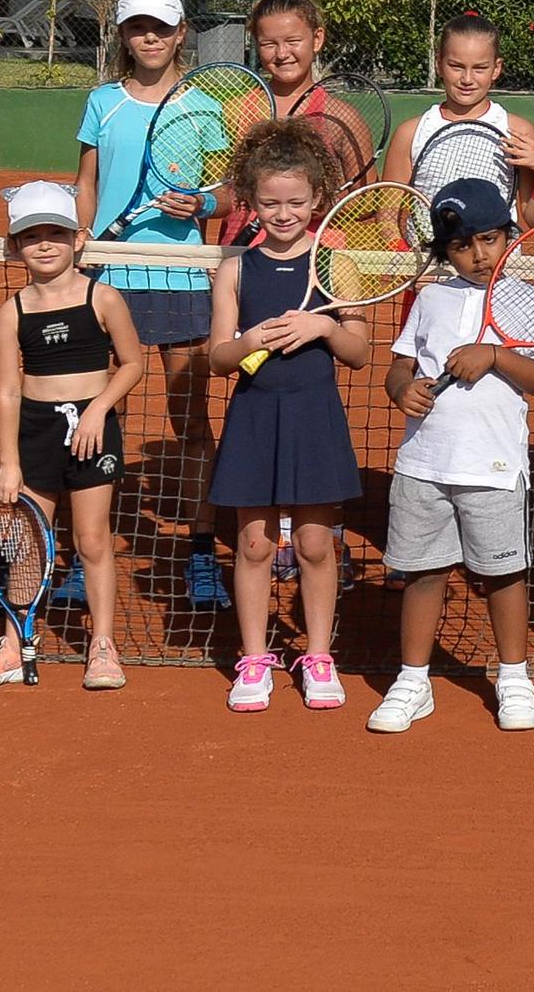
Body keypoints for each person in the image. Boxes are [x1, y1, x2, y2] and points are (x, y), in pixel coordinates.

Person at [368, 179, 534, 733]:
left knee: (503, 575)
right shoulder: (430, 297)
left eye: (489, 239)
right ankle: (412, 681)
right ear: (444, 252)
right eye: (462, 246)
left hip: (494, 466)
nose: (479, 255)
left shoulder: (526, 299)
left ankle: (514, 677)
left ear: (508, 235)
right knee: (423, 572)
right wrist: (399, 389)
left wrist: (496, 355)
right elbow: (402, 364)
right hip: (424, 465)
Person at [0, 182, 144, 690]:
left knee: (91, 539)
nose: (44, 245)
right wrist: (10, 462)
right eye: (30, 236)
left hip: (92, 430)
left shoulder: (102, 297)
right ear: (14, 246)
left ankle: (102, 646)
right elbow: (9, 393)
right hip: (36, 434)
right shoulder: (11, 311)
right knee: (28, 543)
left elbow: (131, 364)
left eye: (55, 234)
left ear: (78, 239)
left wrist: (98, 410)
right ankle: (16, 644)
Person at [205, 120, 366, 712]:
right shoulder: (235, 270)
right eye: (270, 202)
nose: (283, 213)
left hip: (313, 415)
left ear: (318, 198)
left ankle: (318, 655)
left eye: (296, 202)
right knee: (252, 544)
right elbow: (219, 358)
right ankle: (254, 659)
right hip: (254, 416)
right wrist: (251, 340)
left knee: (317, 545)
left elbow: (359, 351)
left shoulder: (335, 265)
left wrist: (323, 325)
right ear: (251, 199)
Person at [73, 0, 222, 608]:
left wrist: (205, 202)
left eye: (162, 26)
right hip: (110, 282)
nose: (150, 37)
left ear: (180, 33)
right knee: (102, 417)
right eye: (138, 26)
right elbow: (86, 181)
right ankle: (89, 551)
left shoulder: (204, 106)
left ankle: (200, 552)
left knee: (189, 420)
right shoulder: (102, 101)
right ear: (124, 35)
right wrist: (83, 236)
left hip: (181, 277)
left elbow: (229, 191)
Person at [222, 0, 378, 245]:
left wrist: (316, 205)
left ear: (317, 39)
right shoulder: (236, 110)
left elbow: (366, 200)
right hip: (245, 254)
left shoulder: (343, 118)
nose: (282, 53)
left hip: (318, 257)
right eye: (269, 44)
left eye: (293, 41)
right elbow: (223, 192)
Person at [383, 12, 534, 229]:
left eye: (479, 68)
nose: (467, 79)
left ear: (496, 68)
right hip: (428, 260)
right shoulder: (410, 133)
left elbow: (533, 217)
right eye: (456, 66)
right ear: (439, 64)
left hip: (496, 261)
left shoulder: (517, 130)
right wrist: (403, 251)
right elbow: (388, 215)